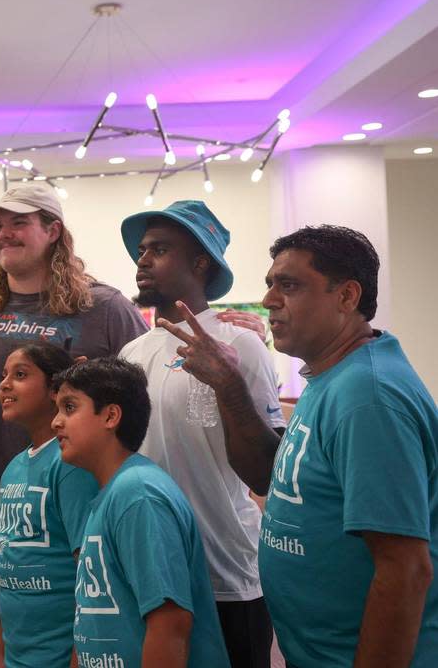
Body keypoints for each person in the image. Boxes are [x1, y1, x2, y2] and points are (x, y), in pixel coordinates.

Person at [165, 225, 438, 666]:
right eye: (271, 284)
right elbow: (267, 477)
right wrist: (227, 384)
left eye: (288, 286)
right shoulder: (331, 375)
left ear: (347, 297)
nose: (270, 299)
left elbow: (405, 569)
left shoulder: (368, 397)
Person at [0, 184, 149, 668]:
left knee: (64, 646)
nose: (3, 234)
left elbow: (147, 385)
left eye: (18, 223)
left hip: (69, 512)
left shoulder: (105, 307)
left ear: (53, 231)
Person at [117, 200, 284, 668]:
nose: (142, 260)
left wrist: (227, 384)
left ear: (200, 263)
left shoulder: (239, 344)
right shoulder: (132, 352)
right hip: (150, 567)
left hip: (225, 573)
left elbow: (267, 475)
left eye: (160, 249)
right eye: (142, 250)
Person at [52, 358, 229, 668]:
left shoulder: (138, 494)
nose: (56, 422)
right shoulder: (110, 494)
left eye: (69, 407)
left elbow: (169, 624)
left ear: (110, 415)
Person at [0, 343, 97, 667]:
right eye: (4, 375)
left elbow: (90, 570)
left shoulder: (69, 464)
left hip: (59, 656)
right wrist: (2, 650)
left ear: (54, 390)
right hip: (17, 655)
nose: (5, 384)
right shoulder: (13, 468)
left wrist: (81, 656)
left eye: (20, 375)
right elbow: (9, 564)